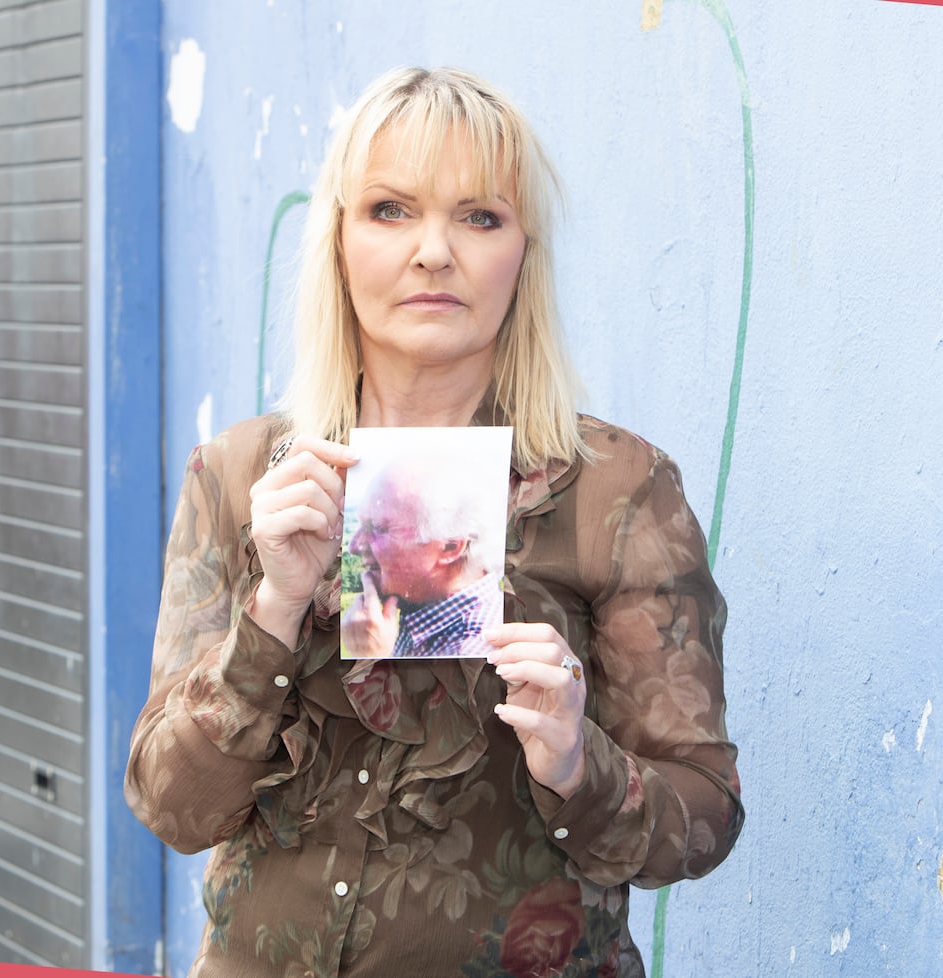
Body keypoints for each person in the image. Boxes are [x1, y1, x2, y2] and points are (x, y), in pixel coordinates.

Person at [125, 66, 744, 978]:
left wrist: (579, 760)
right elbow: (173, 809)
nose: (433, 252)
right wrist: (272, 614)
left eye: (479, 216)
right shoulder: (238, 476)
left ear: (522, 253)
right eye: (389, 209)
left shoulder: (619, 489)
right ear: (338, 241)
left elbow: (705, 817)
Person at [341, 455, 505, 658]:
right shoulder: (419, 616)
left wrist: (370, 659)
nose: (354, 546)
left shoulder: (473, 648)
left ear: (449, 547)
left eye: (377, 528)